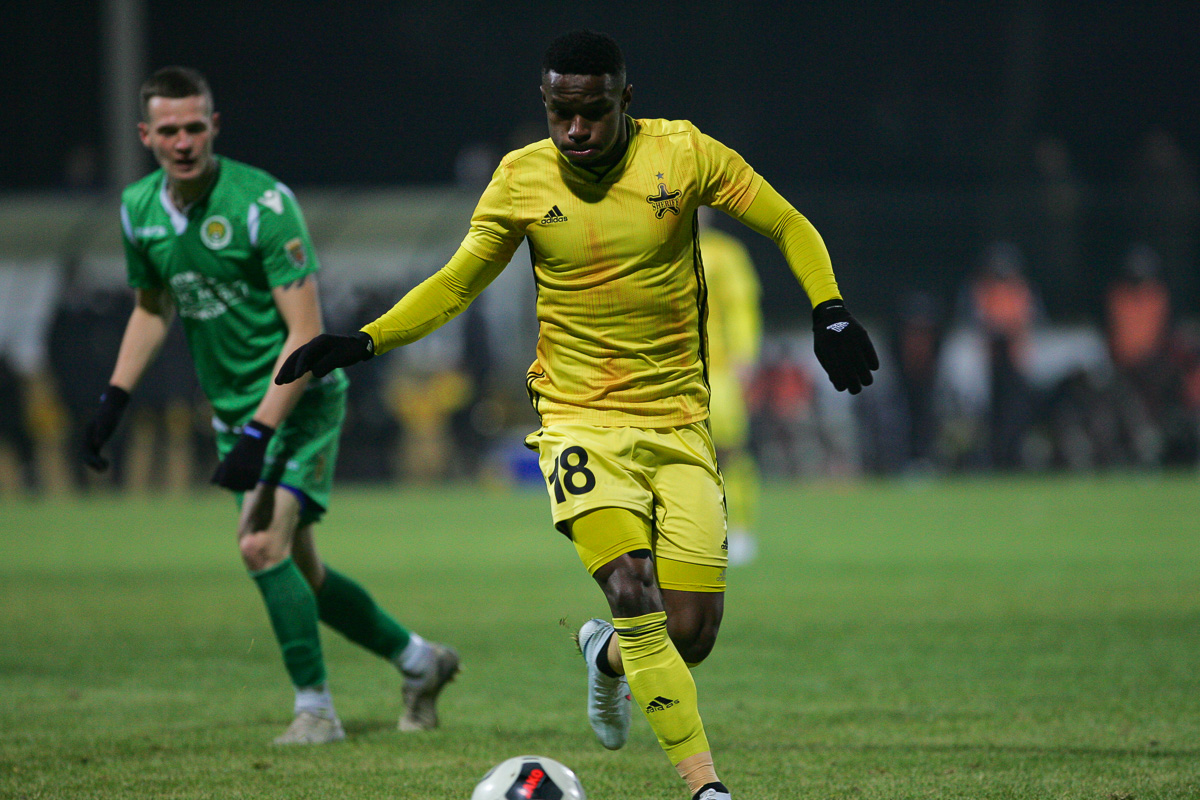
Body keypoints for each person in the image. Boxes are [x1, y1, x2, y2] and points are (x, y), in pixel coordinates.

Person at [276, 31, 877, 799]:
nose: (575, 129)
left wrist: (829, 309)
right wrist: (365, 340)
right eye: (560, 112)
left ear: (626, 100)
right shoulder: (520, 179)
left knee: (690, 634)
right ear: (546, 103)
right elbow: (456, 283)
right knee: (630, 588)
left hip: (677, 422)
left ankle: (606, 655)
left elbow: (788, 222)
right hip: (577, 421)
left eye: (592, 111)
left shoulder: (683, 154)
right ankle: (707, 788)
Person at [81, 67, 459, 745]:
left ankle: (316, 711)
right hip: (238, 416)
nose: (183, 141)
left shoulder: (261, 204)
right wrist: (114, 398)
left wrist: (259, 434)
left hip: (300, 402)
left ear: (213, 126)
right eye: (168, 130)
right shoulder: (138, 208)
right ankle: (419, 662)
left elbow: (305, 332)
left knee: (259, 543)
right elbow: (152, 306)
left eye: (194, 127)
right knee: (301, 572)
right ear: (145, 135)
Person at [696, 211, 763, 565]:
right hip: (665, 369)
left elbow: (741, 307)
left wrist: (745, 355)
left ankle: (738, 528)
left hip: (718, 370)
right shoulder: (652, 249)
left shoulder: (725, 253)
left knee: (729, 451)